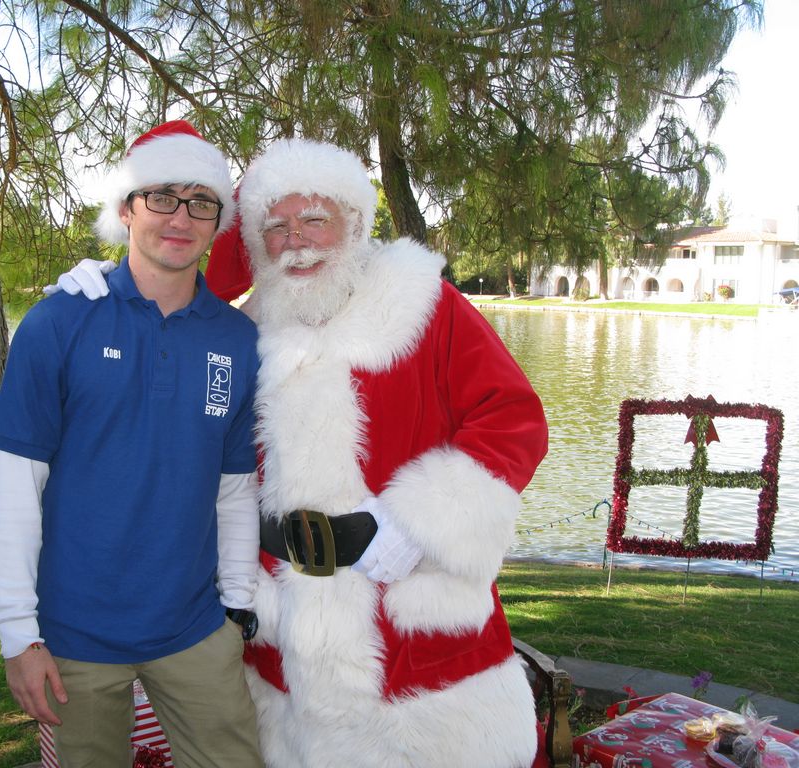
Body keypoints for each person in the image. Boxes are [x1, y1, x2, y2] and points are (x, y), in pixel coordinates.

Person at [59, 138, 550, 767]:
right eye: (277, 227)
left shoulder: (427, 307)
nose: (297, 240)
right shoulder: (238, 330)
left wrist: (420, 522)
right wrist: (104, 293)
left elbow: (513, 420)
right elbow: (164, 403)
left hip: (409, 636)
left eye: (315, 218)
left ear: (355, 222)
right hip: (283, 643)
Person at [0, 120, 264, 768]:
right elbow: (14, 486)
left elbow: (234, 489)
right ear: (125, 208)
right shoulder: (59, 321)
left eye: (201, 202)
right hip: (73, 641)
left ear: (217, 222)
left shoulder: (236, 340)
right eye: (162, 196)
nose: (181, 216)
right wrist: (17, 635)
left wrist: (239, 608)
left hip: (196, 632)